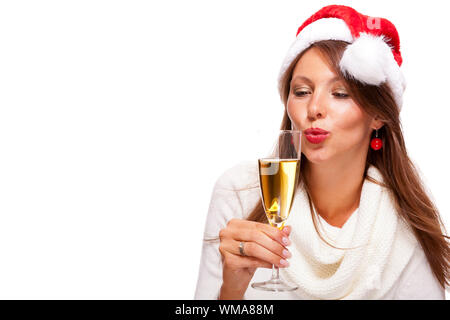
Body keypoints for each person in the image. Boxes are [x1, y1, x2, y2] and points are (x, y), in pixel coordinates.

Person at [194, 4, 449, 300]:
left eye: (340, 94)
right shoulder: (240, 192)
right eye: (301, 92)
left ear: (378, 116)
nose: (314, 109)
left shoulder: (404, 224)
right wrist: (232, 290)